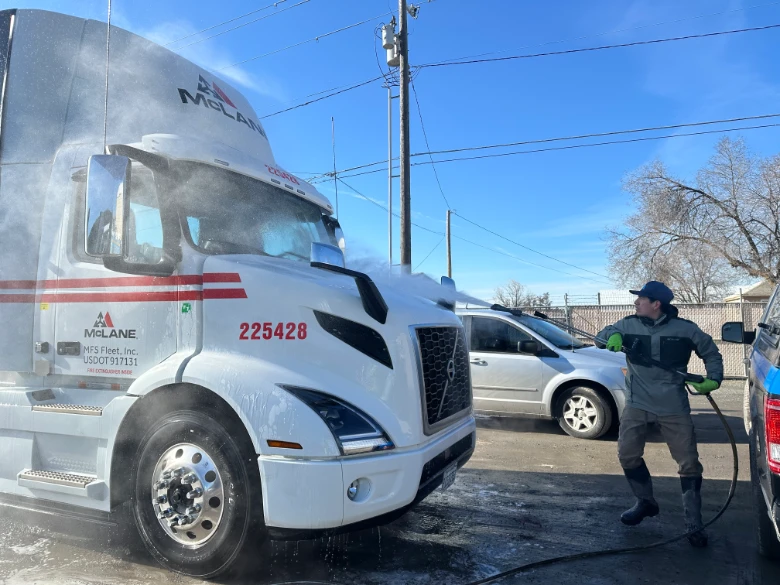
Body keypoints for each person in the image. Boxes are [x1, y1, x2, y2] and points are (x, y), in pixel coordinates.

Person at [597, 281, 723, 547]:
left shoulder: (685, 329)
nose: (636, 303)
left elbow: (711, 352)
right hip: (637, 403)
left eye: (641, 299)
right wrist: (611, 336)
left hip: (673, 406)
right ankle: (645, 502)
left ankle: (694, 523)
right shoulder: (628, 324)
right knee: (627, 455)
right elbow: (601, 336)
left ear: (656, 304)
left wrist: (713, 379)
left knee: (688, 463)